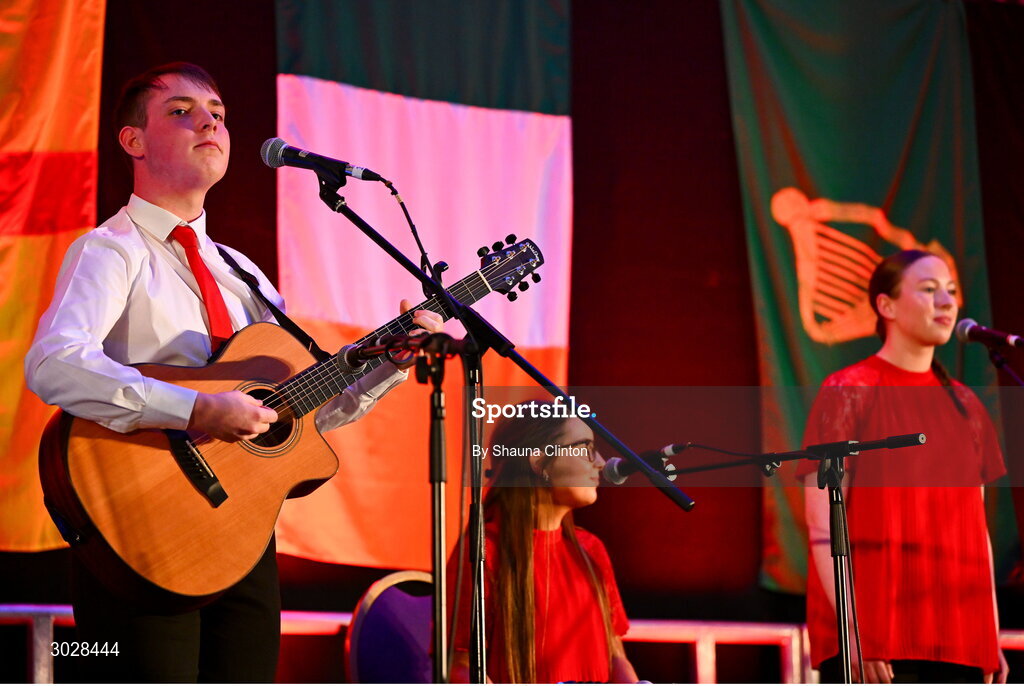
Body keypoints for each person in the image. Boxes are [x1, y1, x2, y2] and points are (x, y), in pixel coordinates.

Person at [24, 62, 442, 682]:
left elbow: (302, 409)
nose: (210, 121)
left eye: (218, 111)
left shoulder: (241, 273)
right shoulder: (111, 251)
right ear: (133, 142)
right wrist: (196, 409)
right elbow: (54, 363)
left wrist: (385, 363)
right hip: (141, 531)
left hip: (242, 539)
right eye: (181, 110)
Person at [800, 250, 1008, 683]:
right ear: (886, 306)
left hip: (958, 640)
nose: (947, 302)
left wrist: (989, 635)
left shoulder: (967, 405)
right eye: (929, 290)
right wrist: (853, 629)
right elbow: (822, 525)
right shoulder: (848, 390)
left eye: (951, 291)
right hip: (877, 640)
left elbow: (977, 536)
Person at [448, 402, 639, 683]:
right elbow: (459, 667)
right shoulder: (482, 551)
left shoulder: (591, 549)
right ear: (539, 462)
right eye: (586, 449)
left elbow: (615, 655)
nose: (600, 462)